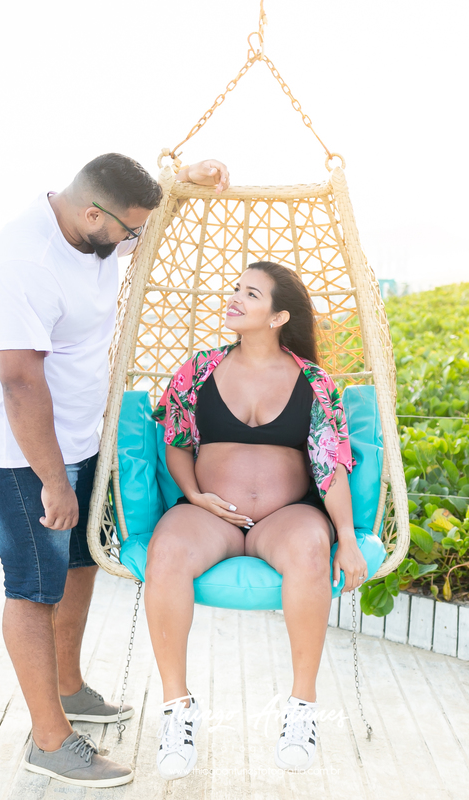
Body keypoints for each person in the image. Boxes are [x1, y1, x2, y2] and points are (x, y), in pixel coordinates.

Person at [0, 152, 230, 787]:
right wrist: (53, 479)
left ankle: (69, 687)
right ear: (91, 214)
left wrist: (194, 174)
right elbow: (19, 383)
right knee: (34, 586)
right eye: (130, 233)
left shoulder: (97, 228)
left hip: (76, 436)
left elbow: (147, 199)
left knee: (80, 563)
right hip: (15, 449)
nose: (136, 243)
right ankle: (48, 742)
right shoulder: (24, 264)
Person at [145, 261, 370, 780]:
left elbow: (330, 462)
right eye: (236, 290)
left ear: (278, 316)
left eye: (251, 294)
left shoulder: (313, 382)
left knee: (311, 550)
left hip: (285, 516)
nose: (235, 299)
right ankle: (177, 710)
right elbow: (176, 442)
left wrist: (348, 538)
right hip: (212, 515)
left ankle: (301, 709)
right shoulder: (198, 370)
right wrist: (195, 496)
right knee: (166, 551)